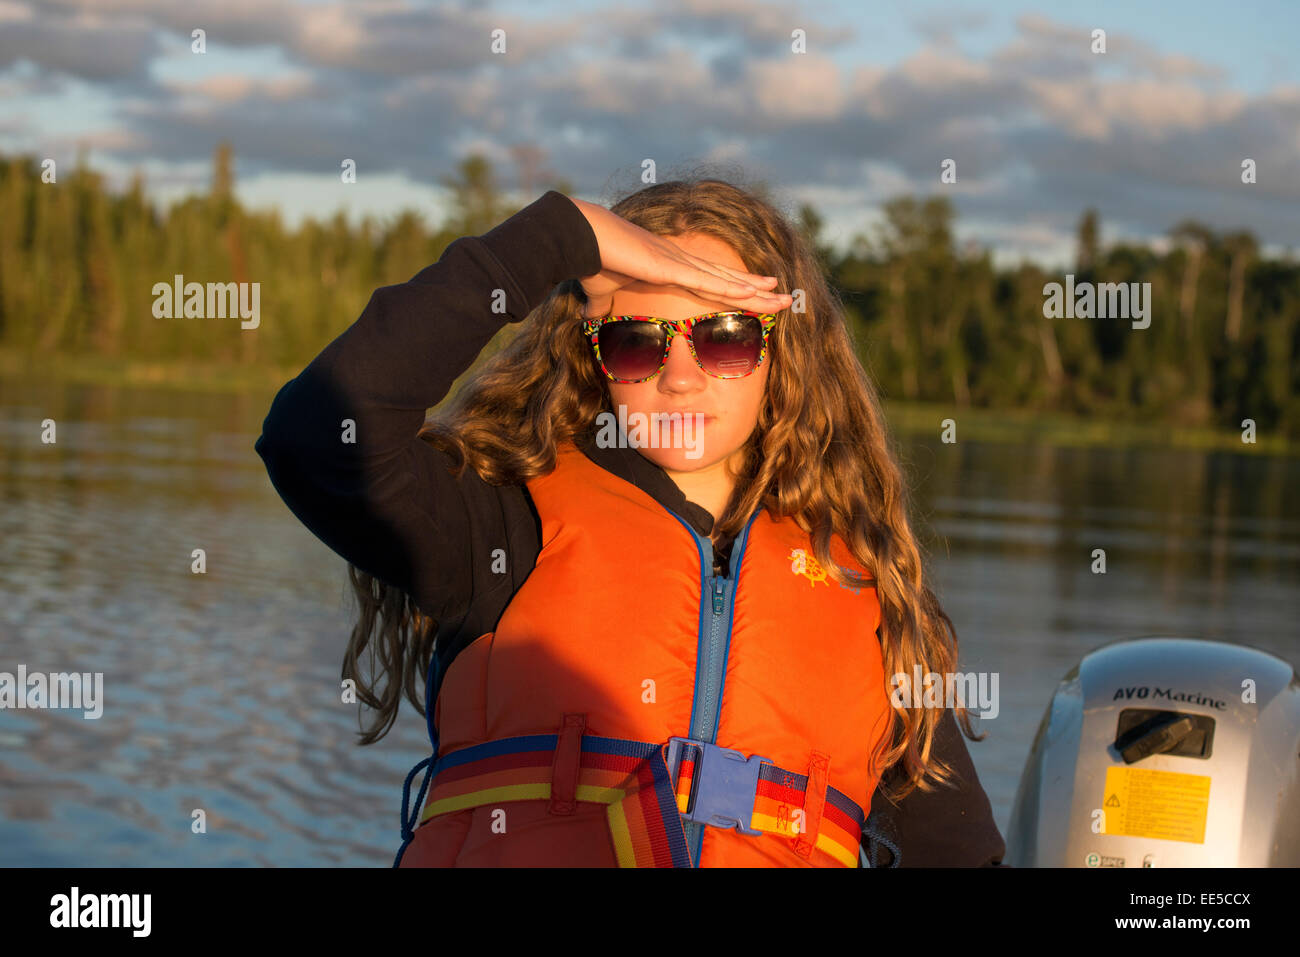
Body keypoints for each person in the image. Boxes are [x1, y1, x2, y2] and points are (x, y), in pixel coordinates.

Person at [254, 180, 1005, 867]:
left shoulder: (871, 602)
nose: (680, 374)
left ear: (786, 353)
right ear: (592, 353)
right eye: (636, 341)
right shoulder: (498, 526)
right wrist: (559, 237)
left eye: (725, 336)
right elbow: (315, 434)